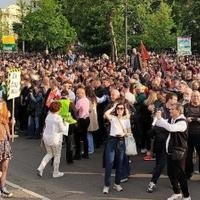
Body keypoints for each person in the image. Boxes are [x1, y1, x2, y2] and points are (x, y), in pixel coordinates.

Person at [155, 103, 191, 200]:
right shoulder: (172, 119)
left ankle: (187, 196)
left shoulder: (182, 122)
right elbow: (159, 124)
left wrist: (161, 119)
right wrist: (158, 117)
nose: (170, 110)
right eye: (170, 109)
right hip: (170, 151)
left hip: (180, 152)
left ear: (178, 111)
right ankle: (177, 193)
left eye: (172, 109)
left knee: (181, 175)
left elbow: (171, 128)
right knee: (171, 174)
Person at [103, 103, 131, 194]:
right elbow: (106, 114)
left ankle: (117, 184)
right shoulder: (113, 118)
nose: (119, 110)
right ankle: (106, 185)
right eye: (118, 108)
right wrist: (113, 107)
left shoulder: (126, 119)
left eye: (121, 108)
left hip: (121, 141)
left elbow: (129, 132)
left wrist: (124, 134)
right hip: (111, 141)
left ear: (124, 110)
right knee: (109, 164)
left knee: (120, 164)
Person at [37, 101, 67, 178]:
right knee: (57, 155)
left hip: (46, 138)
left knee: (49, 154)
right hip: (55, 139)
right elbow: (62, 129)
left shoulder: (48, 116)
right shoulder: (58, 118)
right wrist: (65, 124)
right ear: (58, 109)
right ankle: (55, 172)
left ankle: (40, 168)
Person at [185, 90, 200, 178]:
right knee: (188, 155)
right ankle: (188, 173)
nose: (196, 98)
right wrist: (186, 119)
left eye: (197, 96)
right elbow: (181, 117)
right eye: (194, 96)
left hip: (199, 134)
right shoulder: (186, 106)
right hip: (188, 134)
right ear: (191, 97)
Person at [0, 100, 13, 197]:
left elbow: (6, 123)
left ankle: (2, 188)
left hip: (4, 141)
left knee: (4, 166)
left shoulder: (3, 104)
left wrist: (12, 123)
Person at [74, 87, 90, 160]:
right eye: (76, 93)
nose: (76, 94)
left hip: (81, 120)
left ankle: (78, 155)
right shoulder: (87, 100)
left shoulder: (79, 101)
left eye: (78, 93)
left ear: (82, 93)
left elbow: (75, 110)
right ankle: (86, 154)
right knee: (84, 137)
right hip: (86, 119)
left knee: (77, 138)